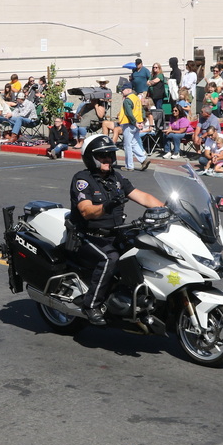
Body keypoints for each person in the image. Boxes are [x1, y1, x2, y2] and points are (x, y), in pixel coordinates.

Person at [69, 134, 163, 325]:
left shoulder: (116, 178)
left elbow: (144, 197)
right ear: (91, 158)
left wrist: (169, 210)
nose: (108, 159)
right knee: (109, 258)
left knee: (145, 249)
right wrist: (107, 206)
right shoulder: (83, 180)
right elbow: (86, 211)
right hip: (89, 236)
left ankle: (135, 298)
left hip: (115, 233)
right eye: (102, 156)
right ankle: (91, 305)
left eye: (110, 155)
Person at [118, 82, 150, 172]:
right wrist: (141, 122)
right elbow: (142, 111)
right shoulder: (136, 98)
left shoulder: (127, 100)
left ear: (128, 90)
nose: (122, 92)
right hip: (137, 123)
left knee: (127, 145)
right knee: (134, 143)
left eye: (123, 90)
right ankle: (143, 159)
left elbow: (129, 113)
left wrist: (134, 122)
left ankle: (129, 166)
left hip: (129, 124)